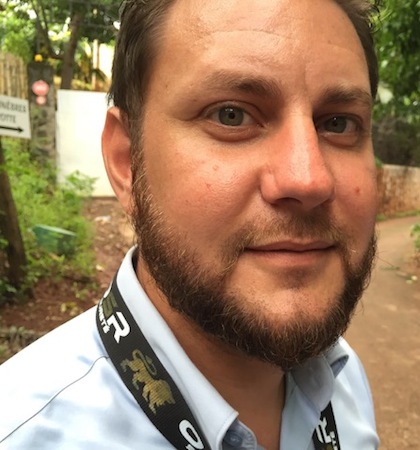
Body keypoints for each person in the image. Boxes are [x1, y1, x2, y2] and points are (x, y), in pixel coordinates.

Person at [0, 0, 381, 448]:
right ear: (126, 162)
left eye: (339, 123)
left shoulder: (344, 384)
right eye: (231, 115)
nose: (309, 179)